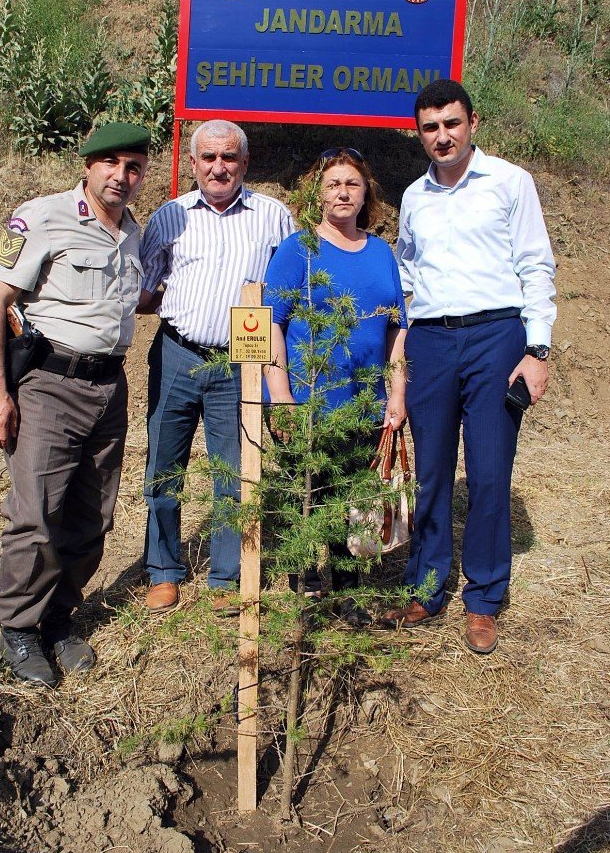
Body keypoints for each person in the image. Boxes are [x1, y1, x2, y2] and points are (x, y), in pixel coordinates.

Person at [0, 122, 150, 687]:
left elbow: (136, 302)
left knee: (90, 515)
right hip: (50, 384)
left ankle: (58, 618)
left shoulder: (133, 233)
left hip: (108, 387)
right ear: (87, 165)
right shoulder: (42, 216)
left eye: (133, 166)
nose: (122, 176)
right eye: (111, 163)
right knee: (36, 513)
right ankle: (18, 628)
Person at [389, 78, 556, 654]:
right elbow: (408, 274)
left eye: (451, 124)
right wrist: (407, 350)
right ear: (419, 134)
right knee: (431, 472)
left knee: (488, 473)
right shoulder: (413, 197)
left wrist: (537, 350)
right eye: (430, 128)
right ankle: (428, 583)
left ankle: (483, 595)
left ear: (472, 123)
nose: (442, 136)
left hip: (496, 338)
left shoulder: (510, 183)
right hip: (432, 343)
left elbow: (536, 267)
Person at [139, 119, 295, 614]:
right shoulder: (168, 217)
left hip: (240, 361)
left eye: (228, 157)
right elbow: (145, 290)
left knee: (236, 469)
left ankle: (227, 575)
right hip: (177, 353)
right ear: (192, 163)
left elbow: (289, 289)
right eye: (208, 158)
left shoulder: (273, 217)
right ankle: (163, 570)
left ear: (245, 163)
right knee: (164, 467)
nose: (218, 167)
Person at [263, 148, 408, 626]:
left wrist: (397, 393)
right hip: (308, 402)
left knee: (355, 501)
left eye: (352, 183)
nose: (342, 192)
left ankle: (348, 591)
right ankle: (305, 586)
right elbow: (271, 325)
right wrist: (280, 396)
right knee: (311, 497)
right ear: (317, 195)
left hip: (366, 401)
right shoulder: (297, 250)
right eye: (332, 184)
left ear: (366, 193)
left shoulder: (382, 253)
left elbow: (395, 329)